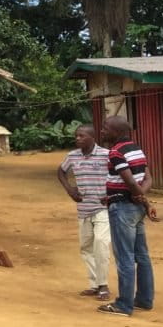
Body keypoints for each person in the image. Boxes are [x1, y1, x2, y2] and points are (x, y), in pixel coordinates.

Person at [97, 116, 155, 316]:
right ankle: (144, 300)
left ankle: (123, 305)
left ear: (117, 131)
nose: (102, 131)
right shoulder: (136, 148)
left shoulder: (116, 152)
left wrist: (138, 197)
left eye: (106, 128)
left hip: (123, 209)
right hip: (133, 207)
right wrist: (142, 200)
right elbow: (147, 178)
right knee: (142, 256)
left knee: (125, 258)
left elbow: (130, 181)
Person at [57, 125, 112, 301]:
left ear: (92, 138)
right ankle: (94, 284)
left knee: (101, 244)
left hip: (103, 207)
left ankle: (103, 285)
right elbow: (60, 171)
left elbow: (118, 174)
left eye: (82, 136)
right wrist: (70, 189)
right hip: (83, 209)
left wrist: (112, 194)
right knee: (86, 248)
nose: (78, 139)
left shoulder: (106, 155)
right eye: (76, 136)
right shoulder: (72, 156)